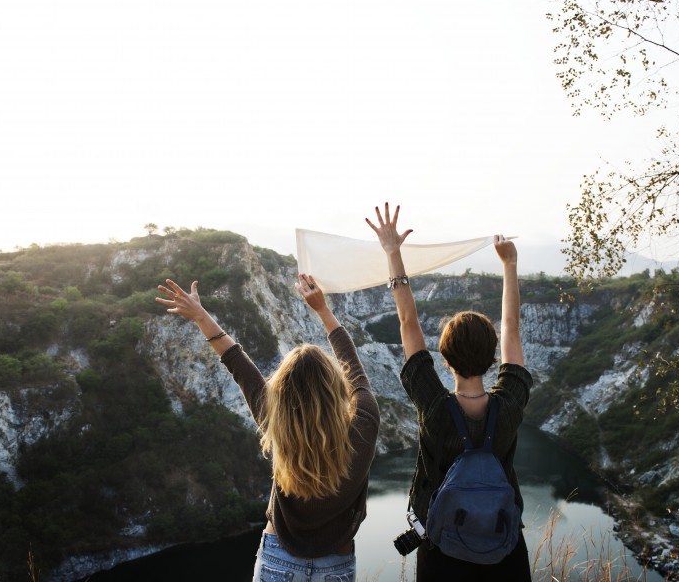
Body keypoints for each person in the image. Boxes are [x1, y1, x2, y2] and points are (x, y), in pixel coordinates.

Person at [155, 273, 380, 582]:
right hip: (336, 563)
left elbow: (236, 362)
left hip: (279, 557)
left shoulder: (276, 421)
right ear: (335, 387)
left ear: (282, 392)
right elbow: (353, 365)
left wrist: (200, 316)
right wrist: (323, 310)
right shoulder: (365, 423)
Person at [366, 203, 533, 582]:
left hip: (442, 549)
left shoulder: (435, 408)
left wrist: (393, 253)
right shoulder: (508, 407)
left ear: (444, 357)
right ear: (492, 358)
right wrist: (509, 265)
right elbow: (512, 329)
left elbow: (408, 322)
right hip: (504, 547)